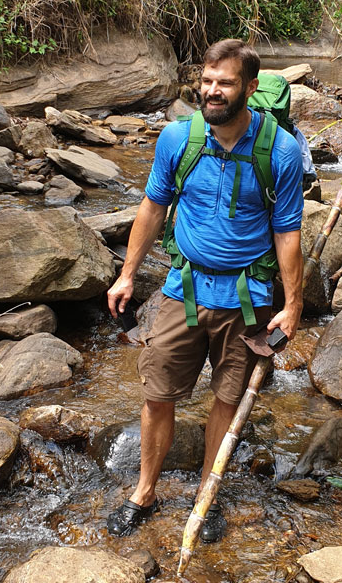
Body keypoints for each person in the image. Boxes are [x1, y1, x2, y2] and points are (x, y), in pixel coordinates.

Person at [106, 39, 304, 542]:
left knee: (226, 399)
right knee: (156, 396)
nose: (213, 91)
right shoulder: (178, 138)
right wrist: (128, 273)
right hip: (183, 289)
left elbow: (287, 233)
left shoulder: (279, 150)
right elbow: (152, 207)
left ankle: (205, 495)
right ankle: (144, 491)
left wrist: (293, 305)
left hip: (247, 299)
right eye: (208, 81)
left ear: (250, 88)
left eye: (226, 83)